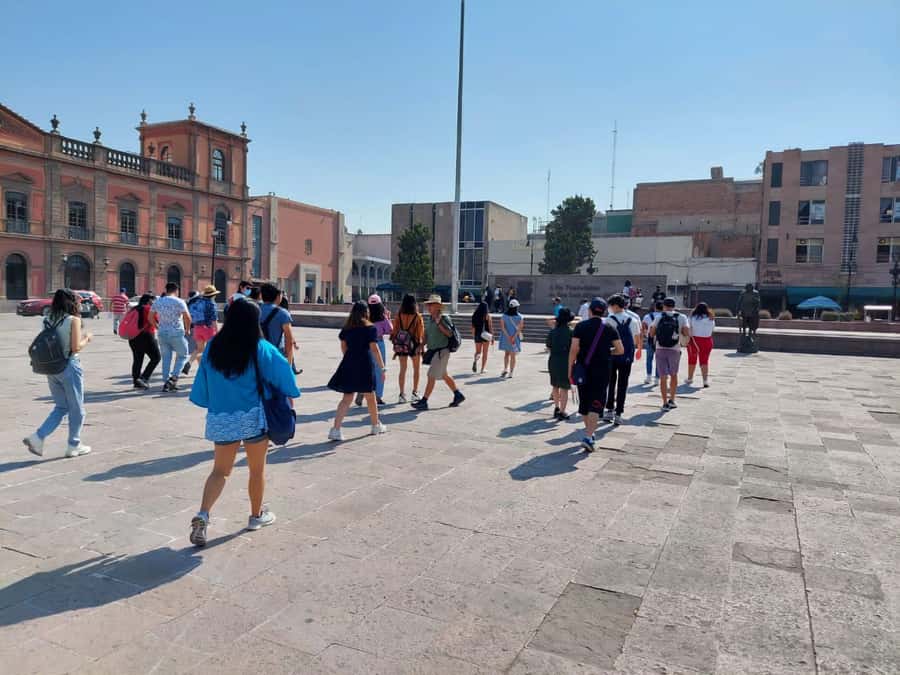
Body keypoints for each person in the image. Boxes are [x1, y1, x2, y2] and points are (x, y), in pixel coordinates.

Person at [187, 299, 300, 546]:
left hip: (222, 419)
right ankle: (256, 515)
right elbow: (287, 380)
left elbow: (202, 387)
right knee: (256, 470)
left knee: (219, 471)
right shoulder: (261, 347)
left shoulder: (214, 347)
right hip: (254, 418)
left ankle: (203, 514)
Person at [23, 289, 93, 458]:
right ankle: (73, 445)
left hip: (51, 368)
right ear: (72, 302)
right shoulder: (73, 320)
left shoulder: (47, 319)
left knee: (61, 406)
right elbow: (75, 347)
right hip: (69, 366)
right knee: (77, 408)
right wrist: (87, 338)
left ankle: (38, 437)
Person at [568, 298, 623, 452]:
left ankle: (589, 435)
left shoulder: (581, 326)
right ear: (604, 311)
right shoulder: (610, 327)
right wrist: (607, 352)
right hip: (602, 370)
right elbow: (620, 350)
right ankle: (589, 436)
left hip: (583, 370)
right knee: (596, 403)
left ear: (590, 311)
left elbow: (574, 350)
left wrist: (569, 369)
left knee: (585, 405)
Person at [327, 301, 388, 440]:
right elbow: (375, 349)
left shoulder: (347, 328)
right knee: (370, 396)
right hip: (365, 364)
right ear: (366, 312)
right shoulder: (370, 328)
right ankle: (375, 425)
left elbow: (343, 346)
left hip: (349, 363)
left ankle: (335, 429)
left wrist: (349, 358)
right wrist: (382, 367)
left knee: (347, 398)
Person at [411, 295, 465, 410]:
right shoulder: (430, 318)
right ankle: (458, 395)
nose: (428, 307)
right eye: (428, 304)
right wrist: (421, 345)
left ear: (438, 306)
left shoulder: (444, 318)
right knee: (444, 375)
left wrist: (439, 323)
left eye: (431, 304)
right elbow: (426, 335)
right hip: (435, 351)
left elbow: (449, 334)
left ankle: (424, 401)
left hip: (442, 351)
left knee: (431, 375)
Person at [604, 295, 642, 426]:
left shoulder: (609, 320)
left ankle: (609, 410)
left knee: (610, 382)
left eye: (610, 306)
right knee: (623, 384)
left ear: (615, 306)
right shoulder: (634, 320)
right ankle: (619, 414)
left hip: (612, 354)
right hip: (626, 356)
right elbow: (637, 341)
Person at [649, 297, 690, 411]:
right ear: (674, 305)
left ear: (664, 306)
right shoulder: (682, 317)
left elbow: (651, 333)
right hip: (675, 349)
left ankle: (664, 402)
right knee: (674, 374)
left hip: (660, 348)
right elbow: (687, 332)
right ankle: (672, 400)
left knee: (663, 376)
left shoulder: (659, 316)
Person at [151, 282, 192, 392]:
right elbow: (187, 317)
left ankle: (166, 381)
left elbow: (150, 317)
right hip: (176, 332)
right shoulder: (179, 301)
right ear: (176, 290)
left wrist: (157, 327)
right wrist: (187, 329)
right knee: (183, 355)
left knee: (166, 358)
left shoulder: (158, 301)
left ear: (166, 289)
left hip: (162, 332)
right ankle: (173, 378)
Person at [356, 295, 391, 406]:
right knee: (380, 370)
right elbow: (390, 330)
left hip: (365, 344)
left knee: (367, 370)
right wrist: (387, 317)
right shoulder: (382, 317)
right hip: (378, 343)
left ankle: (362, 391)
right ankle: (378, 396)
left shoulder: (365, 317)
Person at [391, 293, 425, 403]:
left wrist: (395, 344)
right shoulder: (417, 316)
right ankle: (415, 393)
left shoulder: (399, 315)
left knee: (402, 370)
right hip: (414, 344)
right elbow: (420, 333)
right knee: (416, 369)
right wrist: (420, 346)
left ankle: (401, 395)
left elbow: (394, 331)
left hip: (401, 344)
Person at [546, 307, 574, 420]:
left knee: (555, 385)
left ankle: (556, 408)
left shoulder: (553, 331)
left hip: (553, 360)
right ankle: (562, 411)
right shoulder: (571, 332)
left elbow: (548, 346)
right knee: (564, 388)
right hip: (566, 361)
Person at [129, 293, 160, 390]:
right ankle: (144, 378)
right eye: (153, 300)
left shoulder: (134, 309)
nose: (154, 302)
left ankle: (136, 381)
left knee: (138, 359)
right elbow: (156, 320)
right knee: (156, 357)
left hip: (133, 337)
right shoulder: (148, 308)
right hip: (146, 335)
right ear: (149, 300)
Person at [185, 285, 219, 376]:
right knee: (211, 350)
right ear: (213, 295)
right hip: (208, 329)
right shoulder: (211, 304)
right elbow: (214, 319)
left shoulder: (196, 302)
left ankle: (190, 362)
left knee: (199, 349)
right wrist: (217, 331)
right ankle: (209, 369)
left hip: (197, 328)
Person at [259, 283, 294, 365]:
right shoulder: (282, 313)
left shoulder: (254, 309)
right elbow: (289, 341)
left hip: (257, 356)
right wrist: (289, 365)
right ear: (278, 296)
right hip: (276, 357)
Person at [687, 303, 715, 388]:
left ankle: (690, 378)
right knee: (704, 361)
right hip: (708, 340)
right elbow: (712, 330)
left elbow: (688, 328)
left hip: (694, 340)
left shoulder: (692, 318)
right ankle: (705, 381)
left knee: (692, 360)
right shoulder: (711, 319)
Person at [499, 299, 524, 378]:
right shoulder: (520, 317)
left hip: (506, 338)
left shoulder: (504, 316)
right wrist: (513, 337)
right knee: (513, 355)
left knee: (506, 354)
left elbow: (503, 328)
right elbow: (520, 328)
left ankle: (505, 369)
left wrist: (508, 337)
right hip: (515, 338)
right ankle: (511, 372)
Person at [642, 301, 664, 385]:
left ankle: (648, 377)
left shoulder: (647, 316)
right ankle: (657, 379)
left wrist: (646, 334)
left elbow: (643, 327)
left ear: (655, 307)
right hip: (661, 340)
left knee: (649, 359)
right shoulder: (664, 316)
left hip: (650, 339)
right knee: (659, 360)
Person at [470, 300, 493, 374]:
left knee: (478, 351)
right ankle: (482, 369)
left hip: (477, 334)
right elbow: (490, 327)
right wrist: (492, 337)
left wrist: (474, 336)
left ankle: (476, 360)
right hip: (486, 335)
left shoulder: (475, 315)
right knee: (485, 352)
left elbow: (473, 327)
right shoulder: (488, 316)